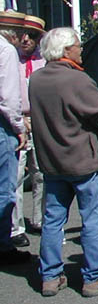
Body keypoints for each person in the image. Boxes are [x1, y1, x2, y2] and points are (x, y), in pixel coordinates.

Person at [28, 27, 98, 297]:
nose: (81, 50)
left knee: (53, 220)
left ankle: (50, 277)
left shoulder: (37, 79)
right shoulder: (77, 80)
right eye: (77, 46)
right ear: (66, 50)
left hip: (52, 162)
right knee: (93, 218)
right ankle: (93, 276)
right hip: (82, 161)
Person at [10, 14, 46, 247]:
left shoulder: (43, 63)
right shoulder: (11, 60)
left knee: (42, 173)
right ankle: (15, 227)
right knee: (16, 177)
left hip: (40, 120)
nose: (26, 40)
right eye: (22, 35)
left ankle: (41, 219)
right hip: (20, 121)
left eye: (31, 36)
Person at [0, 11, 30, 266]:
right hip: (2, 125)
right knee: (5, 189)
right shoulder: (6, 51)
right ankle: (3, 245)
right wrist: (19, 127)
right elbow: (8, 97)